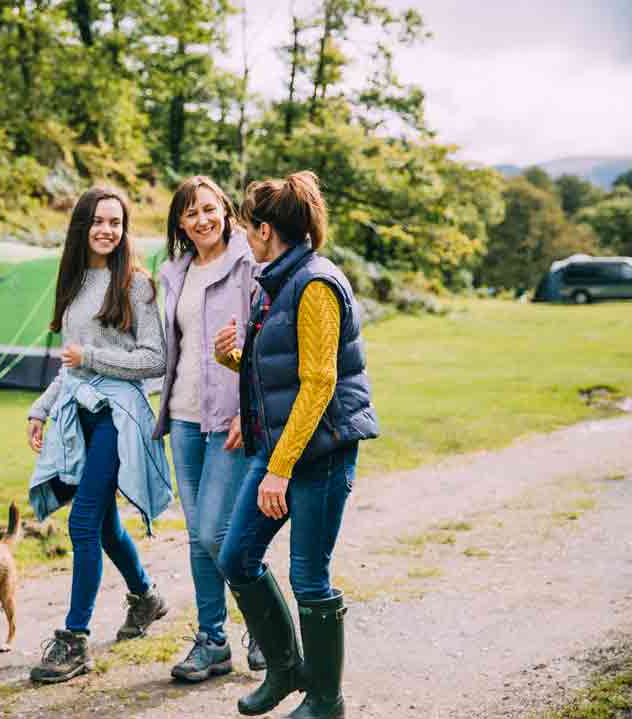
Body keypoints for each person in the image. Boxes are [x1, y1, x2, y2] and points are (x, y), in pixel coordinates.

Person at [214, 172, 379, 717]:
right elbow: (278, 375)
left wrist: (279, 469)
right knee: (238, 557)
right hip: (282, 450)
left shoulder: (314, 285)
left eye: (246, 229)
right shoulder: (279, 281)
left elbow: (319, 383)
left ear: (265, 230)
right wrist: (231, 357)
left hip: (321, 455)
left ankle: (326, 700)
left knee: (309, 575)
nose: (243, 239)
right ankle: (286, 670)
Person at [26, 186, 173, 685]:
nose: (108, 230)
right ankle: (146, 597)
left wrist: (92, 359)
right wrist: (41, 408)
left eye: (116, 222)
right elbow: (70, 365)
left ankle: (74, 640)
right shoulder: (72, 282)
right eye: (98, 221)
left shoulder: (135, 283)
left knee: (84, 523)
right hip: (78, 413)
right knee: (106, 525)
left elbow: (155, 360)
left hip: (119, 416)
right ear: (81, 226)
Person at [153, 175, 264, 682]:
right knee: (198, 536)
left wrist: (249, 407)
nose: (202, 220)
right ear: (180, 222)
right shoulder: (174, 272)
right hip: (182, 415)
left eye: (209, 209)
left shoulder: (249, 264)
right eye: (191, 213)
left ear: (225, 209)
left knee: (222, 533)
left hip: (231, 419)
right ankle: (212, 641)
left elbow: (264, 342)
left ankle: (266, 628)